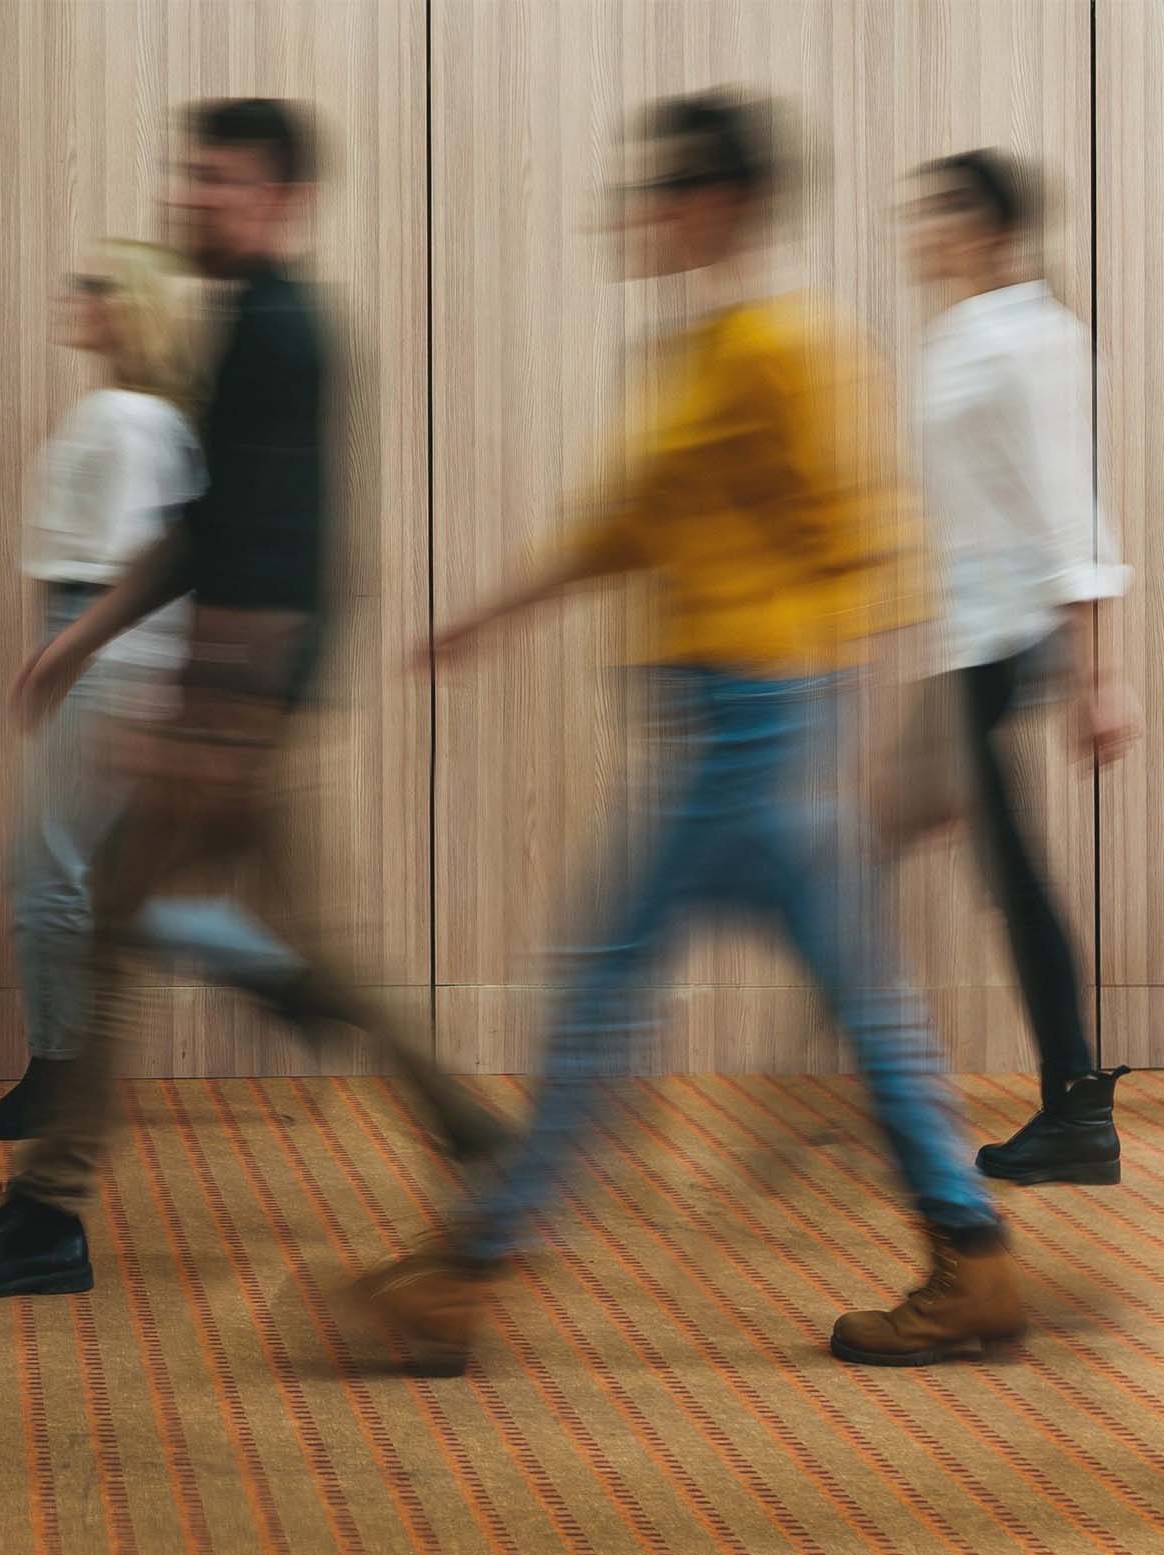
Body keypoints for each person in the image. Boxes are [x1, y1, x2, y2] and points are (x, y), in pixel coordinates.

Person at [350, 91, 1021, 1375]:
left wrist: (901, 736)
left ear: (720, 202)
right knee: (862, 1000)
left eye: (659, 191)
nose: (637, 215)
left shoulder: (789, 346)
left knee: (602, 983)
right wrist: (491, 614)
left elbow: (875, 541)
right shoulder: (697, 347)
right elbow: (630, 524)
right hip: (737, 726)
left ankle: (464, 1272)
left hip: (759, 731)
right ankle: (971, 1252)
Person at [0, 98, 503, 1303]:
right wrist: (82, 639)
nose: (191, 195)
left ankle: (47, 1215)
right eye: (189, 174)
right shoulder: (244, 323)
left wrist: (215, 718)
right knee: (286, 943)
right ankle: (469, 1127)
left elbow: (289, 551)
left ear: (282, 199)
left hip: (241, 704)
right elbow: (203, 528)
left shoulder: (285, 334)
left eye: (219, 180)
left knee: (117, 919)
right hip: (242, 703)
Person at [0, 239, 309, 1144]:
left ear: (132, 308)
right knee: (109, 881)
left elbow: (135, 567)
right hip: (107, 645)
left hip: (104, 649)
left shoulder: (129, 419)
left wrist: (68, 653)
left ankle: (58, 1077)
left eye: (97, 287)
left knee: (46, 873)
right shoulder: (143, 415)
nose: (75, 296)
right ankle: (276, 970)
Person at [877, 151, 1139, 1184]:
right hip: (963, 644)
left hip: (1003, 642)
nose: (919, 231)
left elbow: (1071, 508)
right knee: (981, 866)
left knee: (1001, 873)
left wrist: (1096, 674)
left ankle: (1072, 1106)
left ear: (988, 226)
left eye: (936, 212)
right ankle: (1062, 1101)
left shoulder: (1035, 339)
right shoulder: (959, 336)